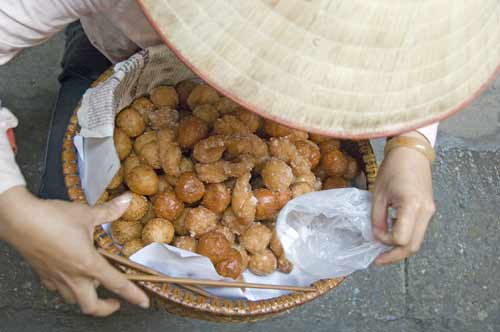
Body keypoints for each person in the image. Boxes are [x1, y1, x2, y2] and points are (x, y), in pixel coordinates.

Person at [4, 0, 489, 317]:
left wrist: (412, 144)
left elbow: (418, 52)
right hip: (117, 50)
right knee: (65, 204)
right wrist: (15, 210)